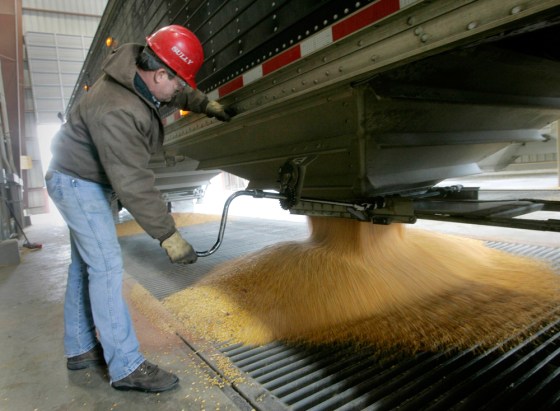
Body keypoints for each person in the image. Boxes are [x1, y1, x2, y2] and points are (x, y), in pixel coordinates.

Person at [45, 25, 233, 393]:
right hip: (78, 183)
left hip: (75, 176)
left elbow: (172, 90)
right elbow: (133, 183)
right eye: (178, 84)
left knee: (84, 265)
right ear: (159, 73)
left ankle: (79, 348)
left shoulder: (137, 67)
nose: (180, 91)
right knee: (106, 267)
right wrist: (169, 235)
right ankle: (126, 366)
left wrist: (205, 104)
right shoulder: (116, 110)